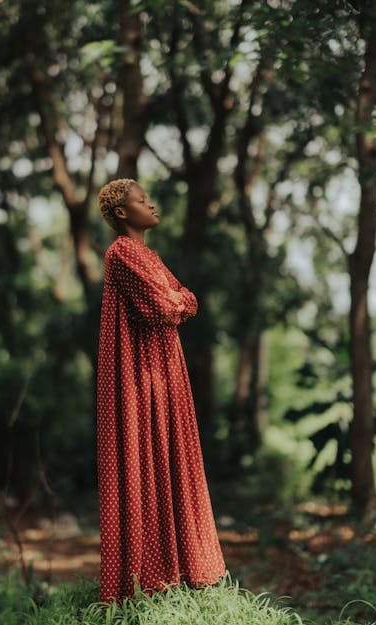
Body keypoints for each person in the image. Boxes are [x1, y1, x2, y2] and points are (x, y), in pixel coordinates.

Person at [96, 178, 226, 605]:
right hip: (140, 374)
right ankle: (146, 578)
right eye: (141, 201)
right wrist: (177, 299)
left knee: (174, 456)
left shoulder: (148, 254)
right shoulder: (121, 253)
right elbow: (164, 306)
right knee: (143, 460)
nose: (150, 206)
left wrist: (178, 299)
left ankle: (187, 570)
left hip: (164, 367)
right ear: (121, 213)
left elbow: (188, 300)